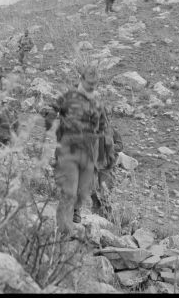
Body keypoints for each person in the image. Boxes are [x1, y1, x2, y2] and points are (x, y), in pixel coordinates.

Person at [44, 64, 108, 234]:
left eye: (94, 85)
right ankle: (63, 231)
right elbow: (51, 109)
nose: (91, 88)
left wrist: (100, 159)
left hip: (87, 153)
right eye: (89, 84)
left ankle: (75, 210)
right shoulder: (68, 96)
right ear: (81, 80)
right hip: (68, 149)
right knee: (69, 192)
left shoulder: (98, 103)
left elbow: (102, 129)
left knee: (83, 192)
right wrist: (50, 119)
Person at [91, 111, 123, 217]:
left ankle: (107, 217)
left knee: (105, 193)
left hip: (107, 167)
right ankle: (95, 212)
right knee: (92, 190)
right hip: (94, 166)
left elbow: (120, 146)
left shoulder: (112, 131)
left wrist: (109, 147)